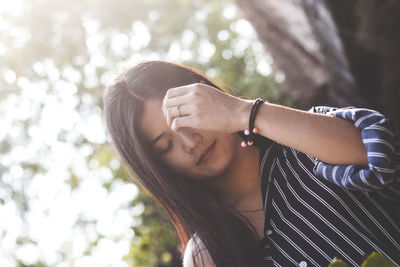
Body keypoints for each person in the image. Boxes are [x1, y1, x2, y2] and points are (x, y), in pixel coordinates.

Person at [102, 60, 400, 267]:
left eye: (188, 117)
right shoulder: (209, 254)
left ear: (206, 96)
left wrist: (245, 112)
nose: (189, 142)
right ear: (158, 168)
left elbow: (379, 155)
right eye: (166, 146)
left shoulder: (303, 144)